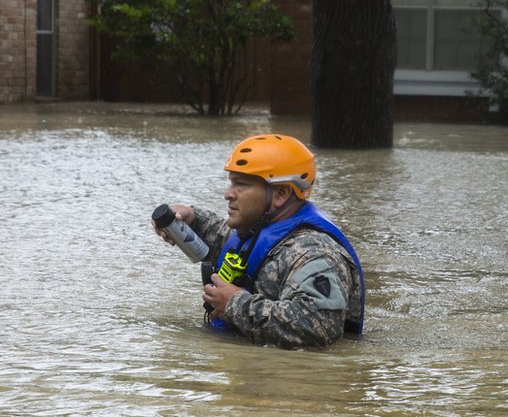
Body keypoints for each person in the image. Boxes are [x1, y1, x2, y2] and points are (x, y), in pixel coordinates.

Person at [154, 133, 365, 349]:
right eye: (231, 183)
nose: (228, 194)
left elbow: (319, 326)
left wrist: (235, 304)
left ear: (282, 193)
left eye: (241, 185)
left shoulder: (314, 252)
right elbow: (228, 241)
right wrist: (192, 218)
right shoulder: (258, 230)